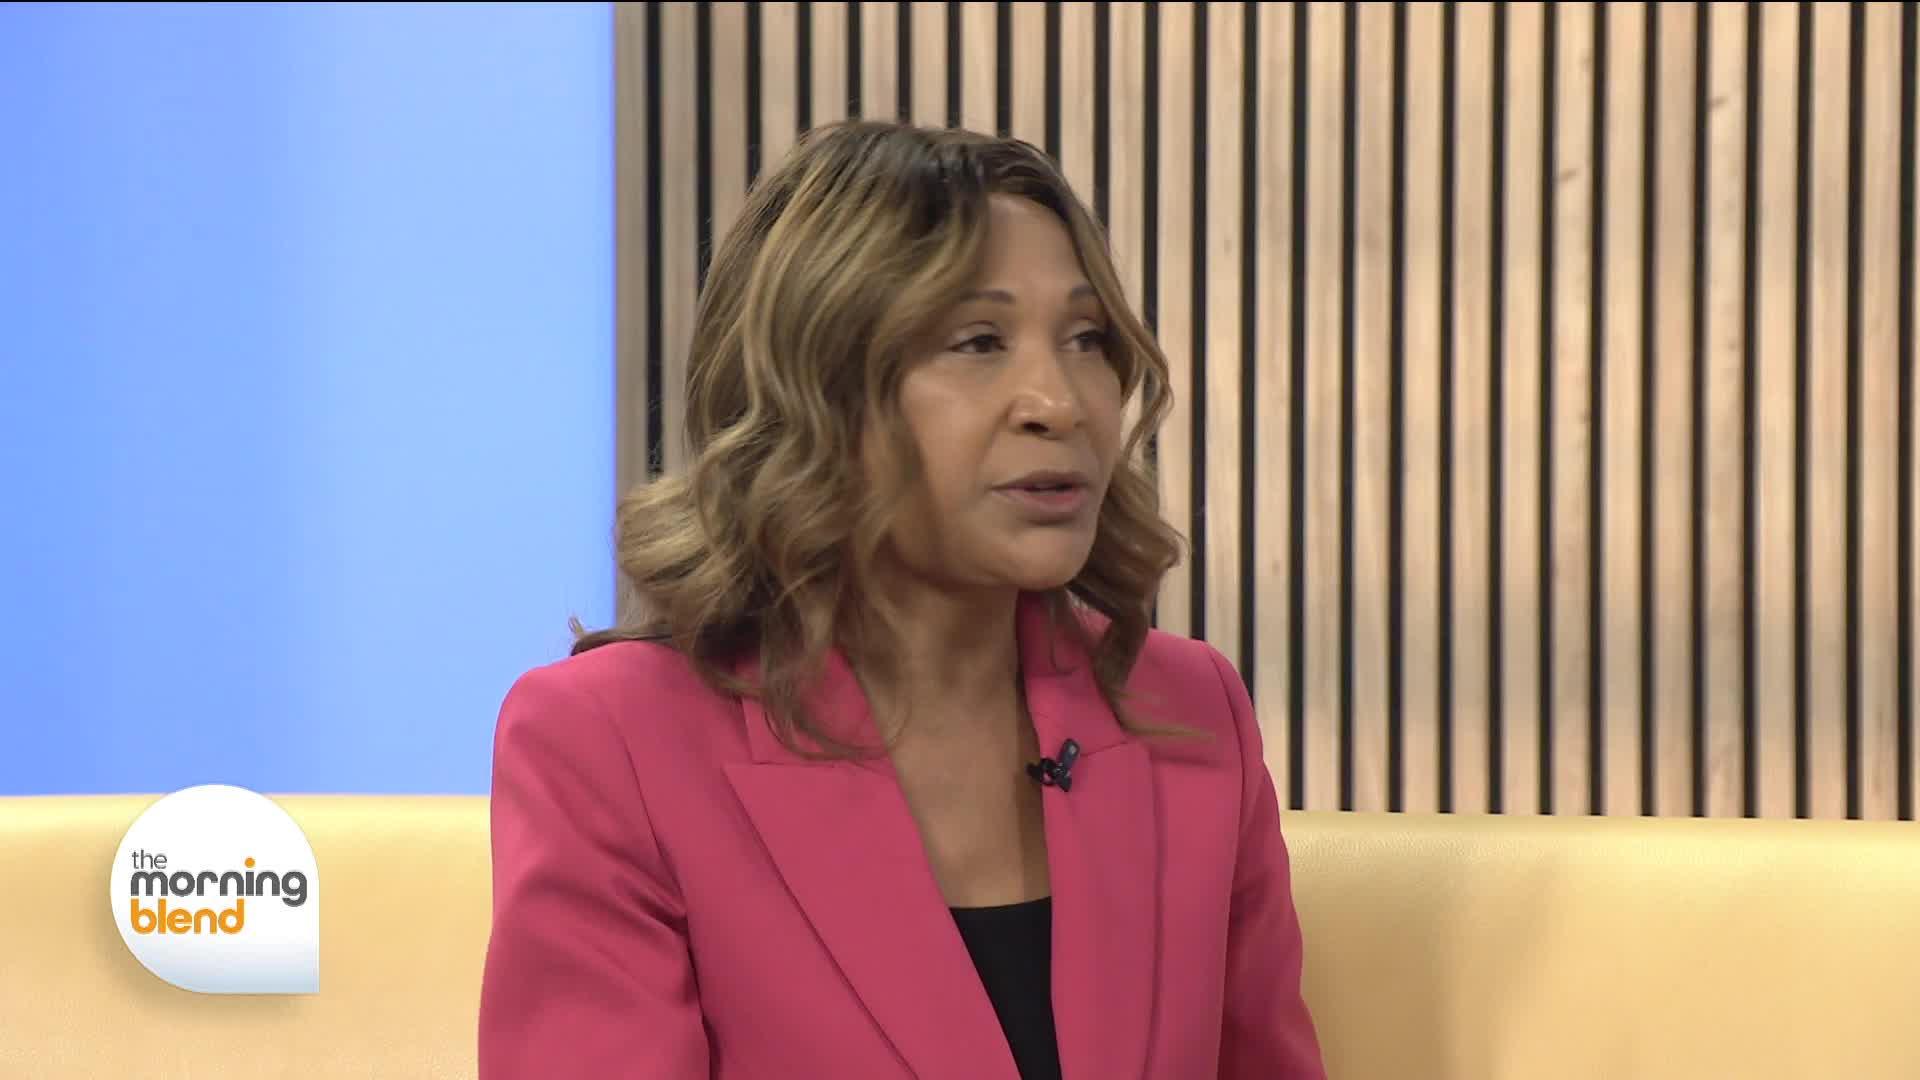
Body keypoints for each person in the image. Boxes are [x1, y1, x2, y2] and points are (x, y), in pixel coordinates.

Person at [477, 119, 1326, 1080]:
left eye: (1087, 338)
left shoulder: (1190, 711)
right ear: (816, 390)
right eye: (978, 342)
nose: (1059, 402)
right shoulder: (612, 744)